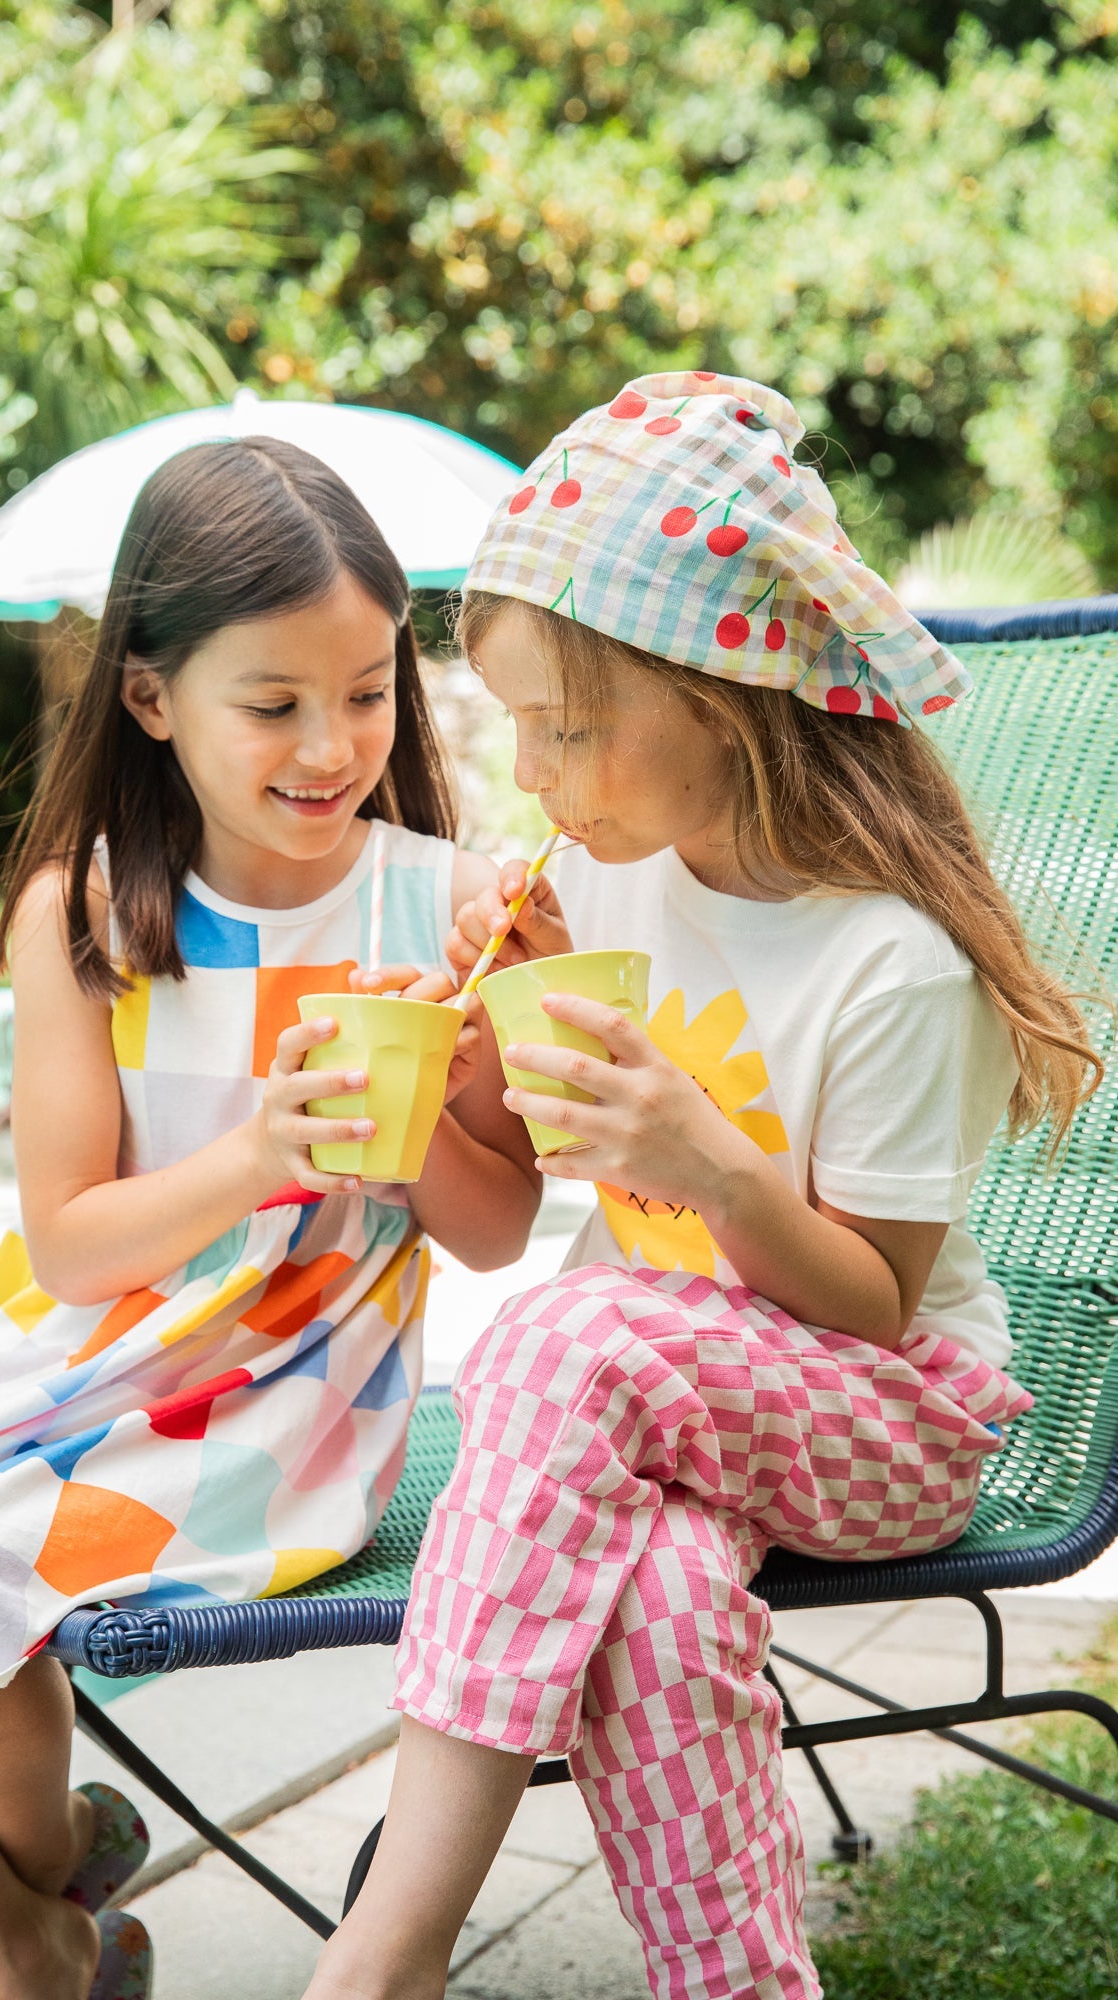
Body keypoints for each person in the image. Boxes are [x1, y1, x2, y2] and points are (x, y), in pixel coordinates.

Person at [302, 373, 1103, 2000]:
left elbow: (874, 1305)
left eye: (570, 727)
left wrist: (713, 1169)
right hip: (669, 1403)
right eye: (517, 724)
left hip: (893, 1411)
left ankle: (384, 1957)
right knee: (657, 1592)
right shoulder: (599, 875)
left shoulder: (889, 960)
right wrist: (487, 1037)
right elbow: (530, 1164)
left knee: (558, 1336)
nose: (533, 774)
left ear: (723, 694)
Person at [0, 437, 540, 2000]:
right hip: (75, 1355)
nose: (330, 744)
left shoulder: (442, 906)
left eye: (367, 692)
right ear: (149, 697)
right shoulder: (82, 912)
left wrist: (425, 1128)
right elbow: (71, 1244)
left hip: (282, 1400)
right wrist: (265, 1146)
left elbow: (496, 1232)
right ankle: (23, 1923)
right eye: (272, 704)